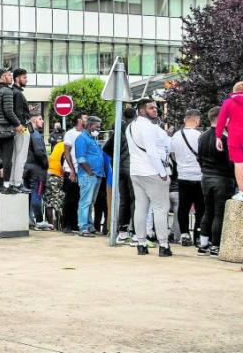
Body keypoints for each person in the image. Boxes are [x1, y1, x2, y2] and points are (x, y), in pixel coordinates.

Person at [126, 99, 173, 257]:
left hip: (136, 171)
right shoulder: (149, 128)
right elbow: (152, 153)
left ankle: (140, 243)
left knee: (141, 207)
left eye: (155, 108)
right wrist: (162, 172)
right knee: (161, 208)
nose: (155, 110)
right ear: (141, 110)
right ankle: (164, 245)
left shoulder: (131, 127)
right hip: (152, 171)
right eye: (151, 108)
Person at [197, 106, 235, 257]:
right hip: (222, 179)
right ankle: (216, 246)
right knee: (219, 213)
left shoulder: (202, 136)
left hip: (206, 178)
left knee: (208, 210)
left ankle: (203, 244)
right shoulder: (225, 138)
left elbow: (199, 158)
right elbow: (230, 162)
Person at [0, 68, 24, 194]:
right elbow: (8, 111)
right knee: (7, 159)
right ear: (1, 77)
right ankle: (6, 186)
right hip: (5, 129)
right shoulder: (7, 91)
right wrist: (17, 124)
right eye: (7, 75)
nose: (10, 77)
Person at [170, 109, 204, 247]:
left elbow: (172, 155)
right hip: (199, 176)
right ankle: (198, 235)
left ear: (185, 120)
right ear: (197, 120)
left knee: (183, 207)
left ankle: (184, 234)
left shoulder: (176, 136)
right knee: (200, 208)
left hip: (183, 176)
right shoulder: (200, 135)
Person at [103, 108, 137, 244]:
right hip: (133, 167)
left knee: (124, 200)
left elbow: (106, 148)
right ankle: (135, 233)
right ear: (135, 116)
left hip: (120, 169)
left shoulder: (118, 130)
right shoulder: (135, 129)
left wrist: (116, 159)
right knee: (135, 200)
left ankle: (122, 232)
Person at [215, 81, 243, 201]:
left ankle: (241, 192)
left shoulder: (228, 102)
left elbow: (221, 120)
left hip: (234, 138)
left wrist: (218, 137)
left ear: (235, 90)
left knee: (238, 165)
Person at [74, 116, 105, 237]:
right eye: (96, 126)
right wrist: (90, 172)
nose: (98, 128)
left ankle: (89, 225)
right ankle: (83, 227)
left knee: (91, 202)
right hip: (88, 175)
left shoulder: (92, 139)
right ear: (89, 125)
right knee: (85, 202)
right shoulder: (82, 138)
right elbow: (80, 158)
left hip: (96, 174)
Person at [24, 112, 52, 230]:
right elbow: (40, 152)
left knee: (28, 195)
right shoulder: (35, 135)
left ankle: (29, 220)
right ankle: (40, 221)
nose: (43, 121)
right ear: (34, 121)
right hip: (37, 170)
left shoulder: (25, 134)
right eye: (40, 119)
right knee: (37, 194)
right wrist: (46, 164)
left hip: (26, 169)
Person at [61, 112, 87, 234]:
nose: (87, 120)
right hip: (71, 171)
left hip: (82, 171)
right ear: (79, 120)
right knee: (69, 199)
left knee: (78, 198)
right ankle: (66, 224)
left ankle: (75, 223)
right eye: (85, 118)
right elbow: (66, 153)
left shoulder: (85, 134)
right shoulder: (70, 133)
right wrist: (71, 170)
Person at [10, 68, 31, 191]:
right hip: (21, 128)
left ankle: (14, 182)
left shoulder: (12, 91)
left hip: (16, 127)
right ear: (17, 78)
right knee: (20, 157)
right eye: (24, 77)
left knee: (15, 156)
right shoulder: (17, 93)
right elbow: (17, 112)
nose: (26, 80)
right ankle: (18, 183)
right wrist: (21, 124)